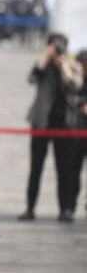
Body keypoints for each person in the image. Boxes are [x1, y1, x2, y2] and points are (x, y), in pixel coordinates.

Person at [18, 33, 82, 222]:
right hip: (41, 121)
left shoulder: (72, 66)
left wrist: (63, 65)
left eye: (61, 46)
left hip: (65, 124)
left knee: (65, 169)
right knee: (35, 167)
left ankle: (65, 210)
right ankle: (30, 208)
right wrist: (45, 59)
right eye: (54, 46)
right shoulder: (43, 65)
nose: (57, 50)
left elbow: (74, 86)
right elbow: (32, 79)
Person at [69, 49, 87, 217]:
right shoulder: (75, 74)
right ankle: (70, 206)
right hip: (76, 130)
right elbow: (71, 93)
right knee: (73, 172)